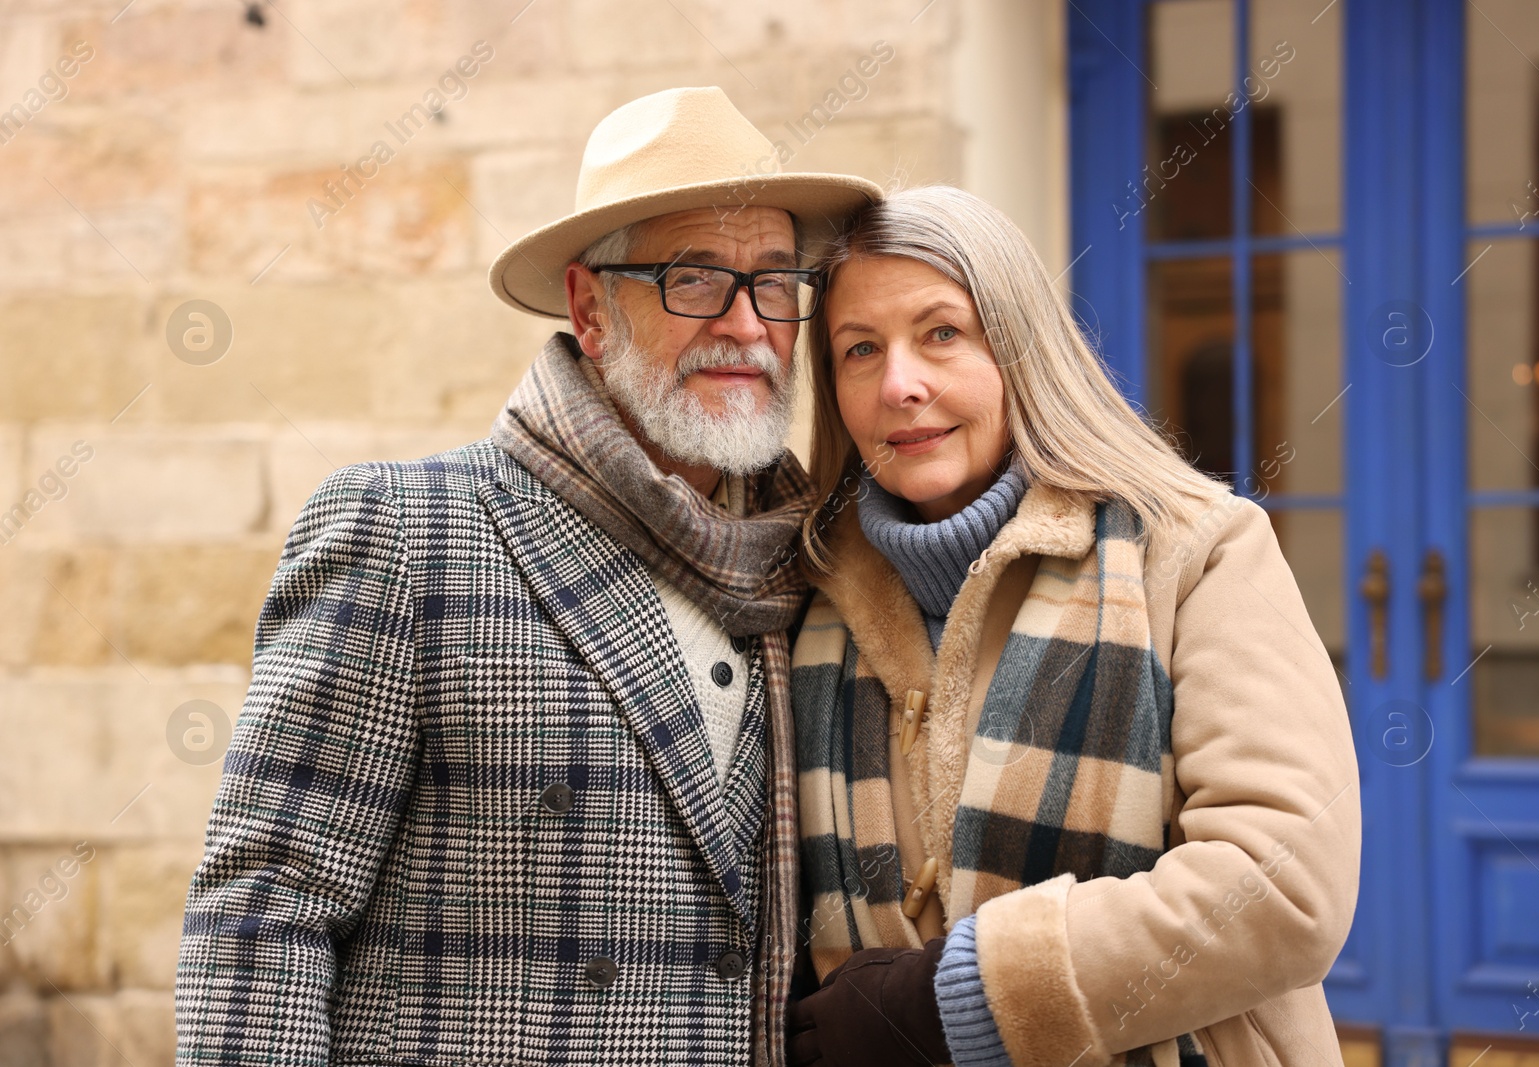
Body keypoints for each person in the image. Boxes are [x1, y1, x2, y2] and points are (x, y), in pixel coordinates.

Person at [175, 86, 879, 1066]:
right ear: (590, 308)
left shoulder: (822, 568)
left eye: (772, 281)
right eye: (693, 277)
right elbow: (266, 904)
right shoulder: (407, 529)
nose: (747, 322)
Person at [785, 186, 1361, 1067]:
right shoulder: (808, 594)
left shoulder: (1195, 549)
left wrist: (959, 1003)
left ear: (1020, 350)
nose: (900, 383)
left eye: (942, 332)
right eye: (860, 349)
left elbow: (1283, 885)